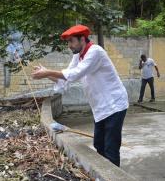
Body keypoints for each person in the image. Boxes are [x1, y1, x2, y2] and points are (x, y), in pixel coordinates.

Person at [31, 25, 129, 167]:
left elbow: (75, 74)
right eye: (68, 42)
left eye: (71, 41)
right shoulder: (78, 55)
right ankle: (103, 173)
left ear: (82, 39)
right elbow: (66, 77)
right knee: (99, 144)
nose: (69, 45)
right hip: (101, 108)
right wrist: (46, 74)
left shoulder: (95, 52)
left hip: (115, 104)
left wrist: (47, 72)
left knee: (110, 148)